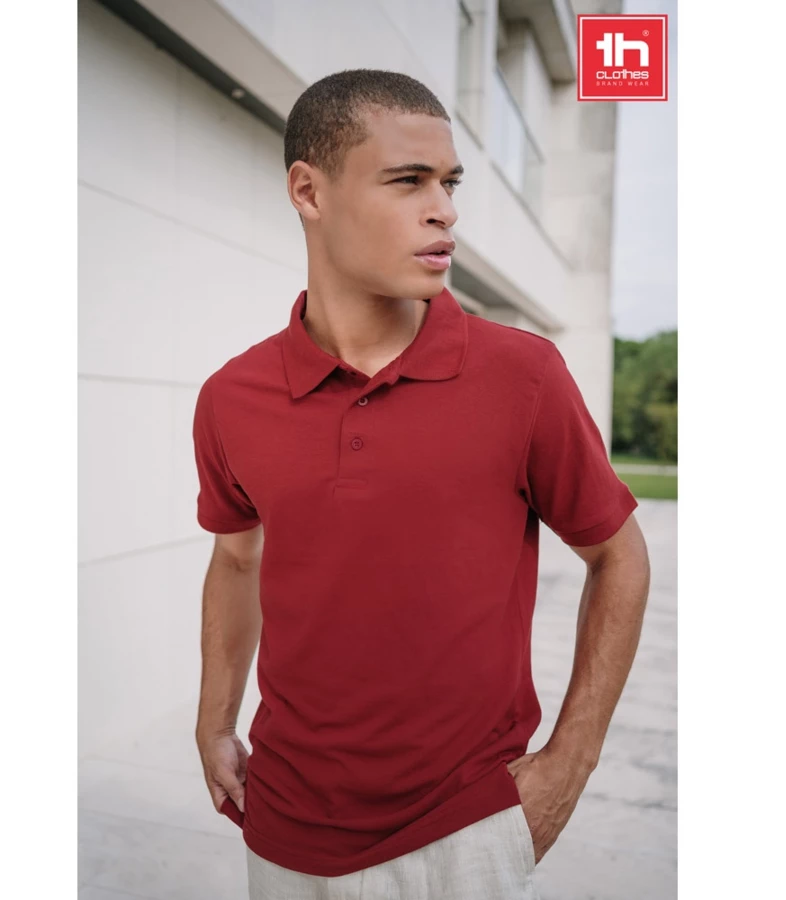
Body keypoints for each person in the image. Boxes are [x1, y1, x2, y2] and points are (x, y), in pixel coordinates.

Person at [192, 68, 651, 900]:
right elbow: (235, 558)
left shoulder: (523, 376)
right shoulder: (232, 397)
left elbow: (618, 555)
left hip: (469, 827)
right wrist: (215, 719)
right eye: (408, 181)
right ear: (309, 191)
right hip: (285, 822)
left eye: (450, 183)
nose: (444, 210)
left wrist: (569, 764)